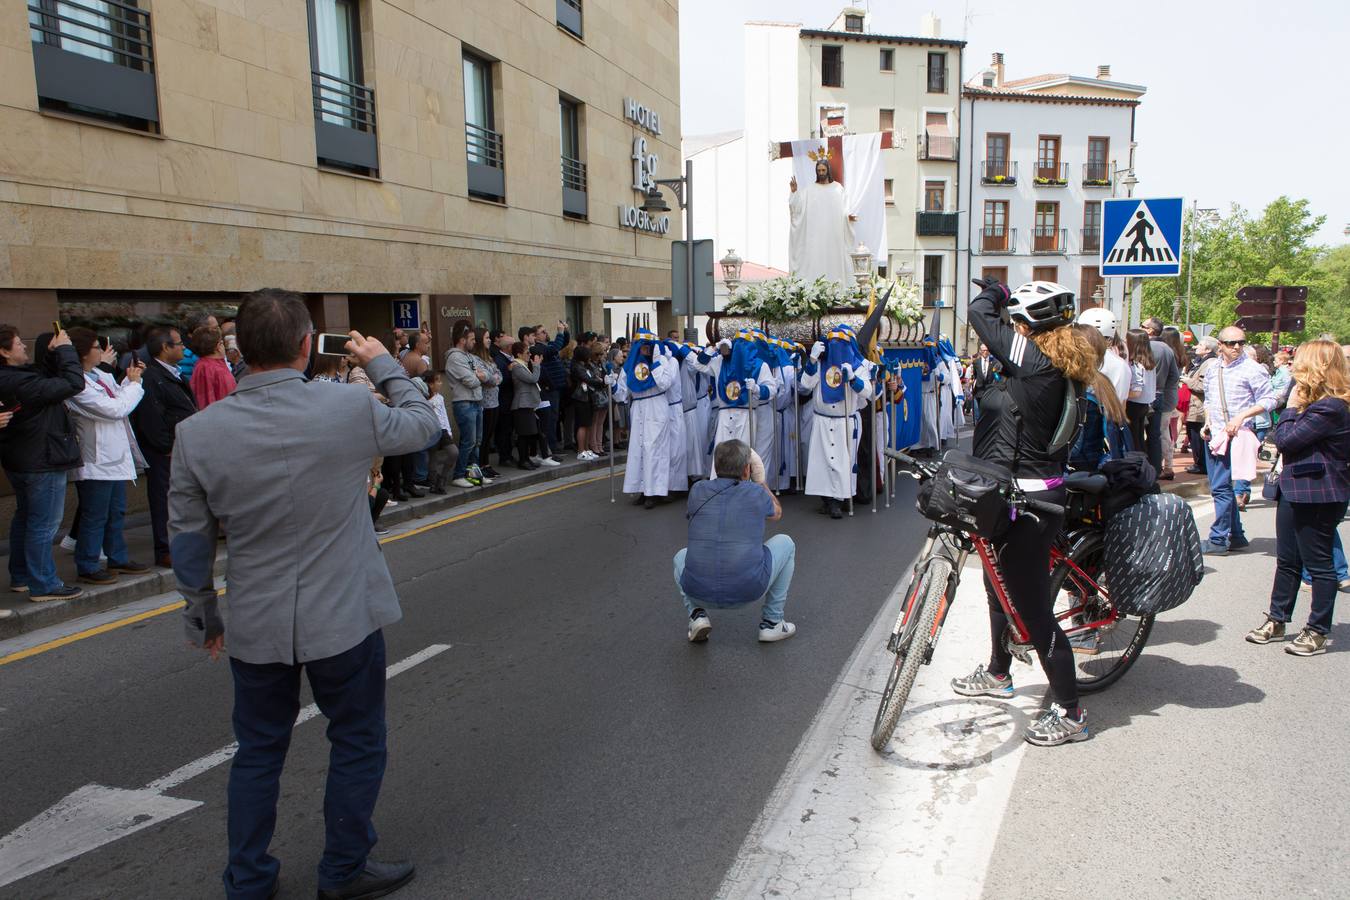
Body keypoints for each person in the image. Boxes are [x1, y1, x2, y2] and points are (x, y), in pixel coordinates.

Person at [170, 288, 438, 900]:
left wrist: (203, 615)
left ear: (242, 348)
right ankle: (342, 869)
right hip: (344, 613)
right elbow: (424, 423)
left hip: (257, 620)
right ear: (304, 346)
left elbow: (189, 539)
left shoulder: (196, 434)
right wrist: (380, 360)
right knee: (358, 738)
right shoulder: (344, 408)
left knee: (258, 751)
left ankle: (248, 880)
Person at [951, 278, 1101, 747]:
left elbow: (978, 314)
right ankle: (999, 672)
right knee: (996, 586)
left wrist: (994, 292)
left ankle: (1072, 713)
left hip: (1032, 503)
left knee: (1035, 611)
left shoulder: (1039, 363)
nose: (1009, 327)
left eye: (1016, 320)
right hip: (1007, 492)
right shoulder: (1044, 363)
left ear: (1030, 324)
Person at [1245, 340, 1350, 656]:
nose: (1293, 370)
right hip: (1294, 489)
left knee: (1319, 564)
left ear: (1316, 368)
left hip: (1320, 494)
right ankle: (1277, 620)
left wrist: (1290, 407)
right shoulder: (1315, 405)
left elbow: (1287, 439)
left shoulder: (1332, 407)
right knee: (1287, 560)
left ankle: (1317, 629)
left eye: (1299, 364)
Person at [673, 439, 796, 643]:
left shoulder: (697, 490)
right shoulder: (756, 492)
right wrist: (760, 481)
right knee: (786, 542)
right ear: (747, 470)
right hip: (747, 591)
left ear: (715, 466)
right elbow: (777, 513)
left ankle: (697, 616)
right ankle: (772, 622)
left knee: (681, 556)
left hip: (698, 591)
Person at [0, 325, 87, 601]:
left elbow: (43, 378)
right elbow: (73, 383)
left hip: (23, 458)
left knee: (25, 519)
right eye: (18, 343)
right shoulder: (17, 381)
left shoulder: (14, 376)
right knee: (44, 524)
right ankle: (44, 584)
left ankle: (22, 575)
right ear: (4, 351)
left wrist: (52, 354)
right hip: (41, 459)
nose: (24, 346)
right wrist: (66, 350)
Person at [64, 328, 151, 586]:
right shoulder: (77, 384)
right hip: (96, 459)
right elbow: (115, 409)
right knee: (95, 514)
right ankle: (88, 564)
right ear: (82, 354)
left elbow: (118, 396)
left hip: (116, 457)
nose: (101, 351)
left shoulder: (100, 375)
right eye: (95, 347)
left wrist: (129, 379)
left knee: (116, 511)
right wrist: (134, 386)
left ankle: (117, 557)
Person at [1200, 326, 1276, 554]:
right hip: (1216, 433)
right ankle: (1236, 535)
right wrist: (1207, 422)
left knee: (1221, 488)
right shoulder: (1214, 369)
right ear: (1220, 346)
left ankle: (1219, 538)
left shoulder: (1252, 369)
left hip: (1238, 435)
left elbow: (1270, 399)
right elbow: (1209, 400)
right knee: (1219, 486)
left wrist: (1242, 416)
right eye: (1232, 343)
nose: (1237, 347)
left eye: (1241, 343)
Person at [131, 326, 198, 569]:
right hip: (164, 452)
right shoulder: (152, 377)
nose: (184, 348)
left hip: (181, 448)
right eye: (179, 343)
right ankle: (166, 549)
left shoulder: (174, 373)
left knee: (182, 501)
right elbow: (151, 417)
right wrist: (166, 446)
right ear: (164, 348)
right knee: (164, 501)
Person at [799, 323, 874, 519]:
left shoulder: (859, 365)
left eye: (841, 342)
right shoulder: (820, 364)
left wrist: (853, 380)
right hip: (822, 420)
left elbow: (868, 392)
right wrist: (812, 360)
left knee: (842, 462)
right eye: (833, 342)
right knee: (822, 461)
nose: (836, 347)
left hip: (845, 421)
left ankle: (838, 501)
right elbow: (805, 385)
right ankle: (827, 499)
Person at [612, 328, 677, 507]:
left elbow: (664, 383)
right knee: (639, 449)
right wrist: (612, 386)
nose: (644, 350)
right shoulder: (631, 365)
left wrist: (655, 361)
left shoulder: (662, 360)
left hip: (656, 406)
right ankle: (643, 489)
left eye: (647, 346)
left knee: (655, 449)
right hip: (639, 407)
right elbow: (622, 395)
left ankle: (656, 491)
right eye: (641, 346)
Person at [788, 159, 856, 284]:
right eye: (819, 170)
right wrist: (794, 193)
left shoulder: (838, 189)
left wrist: (849, 216)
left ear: (828, 170)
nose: (821, 172)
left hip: (833, 238)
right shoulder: (809, 190)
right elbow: (798, 210)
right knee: (815, 262)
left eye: (823, 170)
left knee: (834, 261)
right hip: (815, 239)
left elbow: (846, 209)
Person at [444, 320, 489, 488]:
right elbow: (471, 380)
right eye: (471, 339)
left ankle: (474, 473)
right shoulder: (454, 358)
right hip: (464, 404)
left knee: (477, 442)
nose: (474, 341)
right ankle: (458, 474)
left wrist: (481, 375)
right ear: (462, 340)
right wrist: (479, 376)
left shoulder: (470, 357)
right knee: (468, 442)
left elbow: (487, 373)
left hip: (476, 402)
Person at [1182, 336, 1220, 474]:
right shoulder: (1201, 362)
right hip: (1194, 405)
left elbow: (1204, 386)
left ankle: (1201, 465)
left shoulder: (1209, 363)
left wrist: (1187, 381)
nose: (1195, 346)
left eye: (1200, 345)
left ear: (1208, 349)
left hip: (1199, 406)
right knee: (1193, 434)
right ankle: (1200, 463)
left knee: (1197, 435)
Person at [534, 321, 570, 462]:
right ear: (536, 337)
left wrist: (565, 332)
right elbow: (555, 348)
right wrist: (559, 332)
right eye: (542, 332)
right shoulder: (539, 348)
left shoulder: (547, 346)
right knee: (549, 419)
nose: (545, 333)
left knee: (554, 418)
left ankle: (553, 446)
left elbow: (563, 343)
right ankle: (550, 447)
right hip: (548, 389)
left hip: (556, 387)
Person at [1156, 325, 1187, 479]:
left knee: (1162, 432)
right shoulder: (1179, 354)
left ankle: (1165, 466)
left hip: (1165, 396)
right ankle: (1167, 464)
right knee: (1166, 431)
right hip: (1172, 395)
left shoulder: (1167, 354)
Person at [473, 327, 503, 479]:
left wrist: (493, 378)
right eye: (486, 337)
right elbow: (486, 378)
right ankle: (481, 465)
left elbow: (499, 375)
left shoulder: (489, 358)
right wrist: (493, 378)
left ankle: (487, 464)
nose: (489, 340)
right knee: (483, 436)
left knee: (489, 435)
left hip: (494, 401)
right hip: (485, 403)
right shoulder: (476, 359)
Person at [423, 371, 458, 495]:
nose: (440, 383)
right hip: (430, 431)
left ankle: (442, 478)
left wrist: (448, 431)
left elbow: (444, 415)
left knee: (453, 452)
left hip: (442, 430)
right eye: (437, 381)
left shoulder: (440, 397)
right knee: (433, 457)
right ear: (430, 384)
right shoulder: (423, 399)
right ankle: (434, 483)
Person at [509, 341, 543, 469]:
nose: (530, 354)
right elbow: (533, 379)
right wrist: (537, 365)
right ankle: (522, 460)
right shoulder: (517, 366)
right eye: (527, 352)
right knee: (524, 434)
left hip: (528, 403)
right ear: (518, 354)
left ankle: (527, 458)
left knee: (529, 434)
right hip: (521, 404)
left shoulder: (523, 364)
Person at [1124, 329, 1156, 461]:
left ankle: (1136, 465)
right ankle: (1143, 464)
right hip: (1144, 404)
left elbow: (1136, 391)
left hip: (1134, 405)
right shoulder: (1149, 362)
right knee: (1139, 438)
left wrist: (1120, 394)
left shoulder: (1136, 364)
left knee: (1133, 440)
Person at [189, 324, 237, 409]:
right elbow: (228, 399)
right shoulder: (219, 371)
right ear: (218, 346)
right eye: (222, 343)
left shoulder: (200, 365)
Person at [970, 343, 1000, 420]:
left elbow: (997, 376)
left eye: (987, 350)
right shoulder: (976, 362)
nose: (985, 352)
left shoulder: (994, 362)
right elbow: (974, 375)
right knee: (978, 410)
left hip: (989, 390)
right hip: (979, 390)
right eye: (983, 350)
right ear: (980, 351)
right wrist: (971, 383)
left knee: (988, 410)